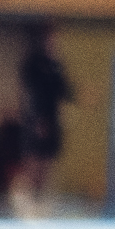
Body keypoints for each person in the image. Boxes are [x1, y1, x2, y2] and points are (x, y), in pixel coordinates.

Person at [15, 23, 72, 206]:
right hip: (37, 117)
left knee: (48, 158)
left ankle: (39, 198)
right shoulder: (34, 63)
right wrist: (39, 119)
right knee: (35, 157)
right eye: (51, 40)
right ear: (44, 41)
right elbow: (33, 92)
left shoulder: (57, 64)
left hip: (52, 118)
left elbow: (63, 90)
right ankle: (28, 196)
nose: (55, 44)